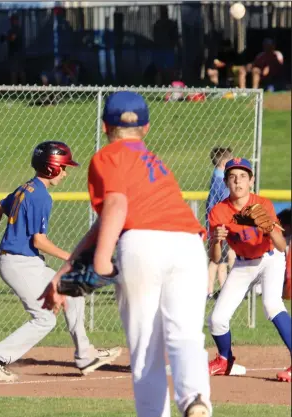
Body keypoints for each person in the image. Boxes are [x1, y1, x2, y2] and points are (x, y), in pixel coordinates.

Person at [41, 92, 212, 417]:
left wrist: (103, 260)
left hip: (142, 243)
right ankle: (195, 400)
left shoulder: (108, 155)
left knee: (146, 346)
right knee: (186, 334)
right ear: (145, 128)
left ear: (105, 126)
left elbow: (116, 207)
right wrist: (65, 269)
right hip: (189, 246)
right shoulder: (156, 162)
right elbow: (109, 219)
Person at [0, 141, 121, 382]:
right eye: (63, 167)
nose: (66, 173)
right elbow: (39, 241)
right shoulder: (41, 196)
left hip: (25, 262)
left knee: (71, 290)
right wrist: (71, 257)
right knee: (44, 319)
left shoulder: (26, 188)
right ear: (51, 168)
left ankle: (85, 354)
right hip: (20, 264)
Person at [207, 157, 291, 382]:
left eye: (243, 176)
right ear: (226, 182)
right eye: (232, 177)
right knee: (216, 319)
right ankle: (225, 360)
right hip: (243, 263)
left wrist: (270, 228)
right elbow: (215, 258)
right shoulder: (218, 211)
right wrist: (215, 240)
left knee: (272, 304)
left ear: (251, 181)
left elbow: (282, 246)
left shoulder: (263, 204)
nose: (238, 181)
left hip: (270, 257)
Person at [206, 147, 234, 300]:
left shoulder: (217, 177)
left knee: (221, 260)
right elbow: (225, 202)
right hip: (219, 225)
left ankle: (222, 289)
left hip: (219, 225)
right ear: (224, 163)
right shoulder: (221, 181)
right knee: (216, 261)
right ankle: (209, 290)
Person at [0, 13, 26, 85]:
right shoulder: (12, 29)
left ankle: (18, 87)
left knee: (16, 71)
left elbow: (12, 38)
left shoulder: (17, 29)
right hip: (14, 53)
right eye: (11, 20)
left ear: (16, 20)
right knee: (17, 71)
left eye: (13, 20)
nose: (12, 21)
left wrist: (5, 37)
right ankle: (18, 88)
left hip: (17, 54)